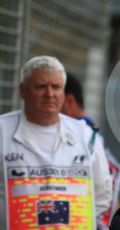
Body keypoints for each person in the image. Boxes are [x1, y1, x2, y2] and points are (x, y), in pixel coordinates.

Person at [0, 56, 112, 229]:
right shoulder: (2, 130)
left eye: (56, 87)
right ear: (23, 91)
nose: (49, 94)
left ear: (63, 92)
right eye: (41, 87)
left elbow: (103, 192)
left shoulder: (86, 135)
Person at [61, 73, 120, 230]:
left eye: (55, 94)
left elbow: (106, 196)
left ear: (68, 101)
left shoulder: (82, 139)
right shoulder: (91, 135)